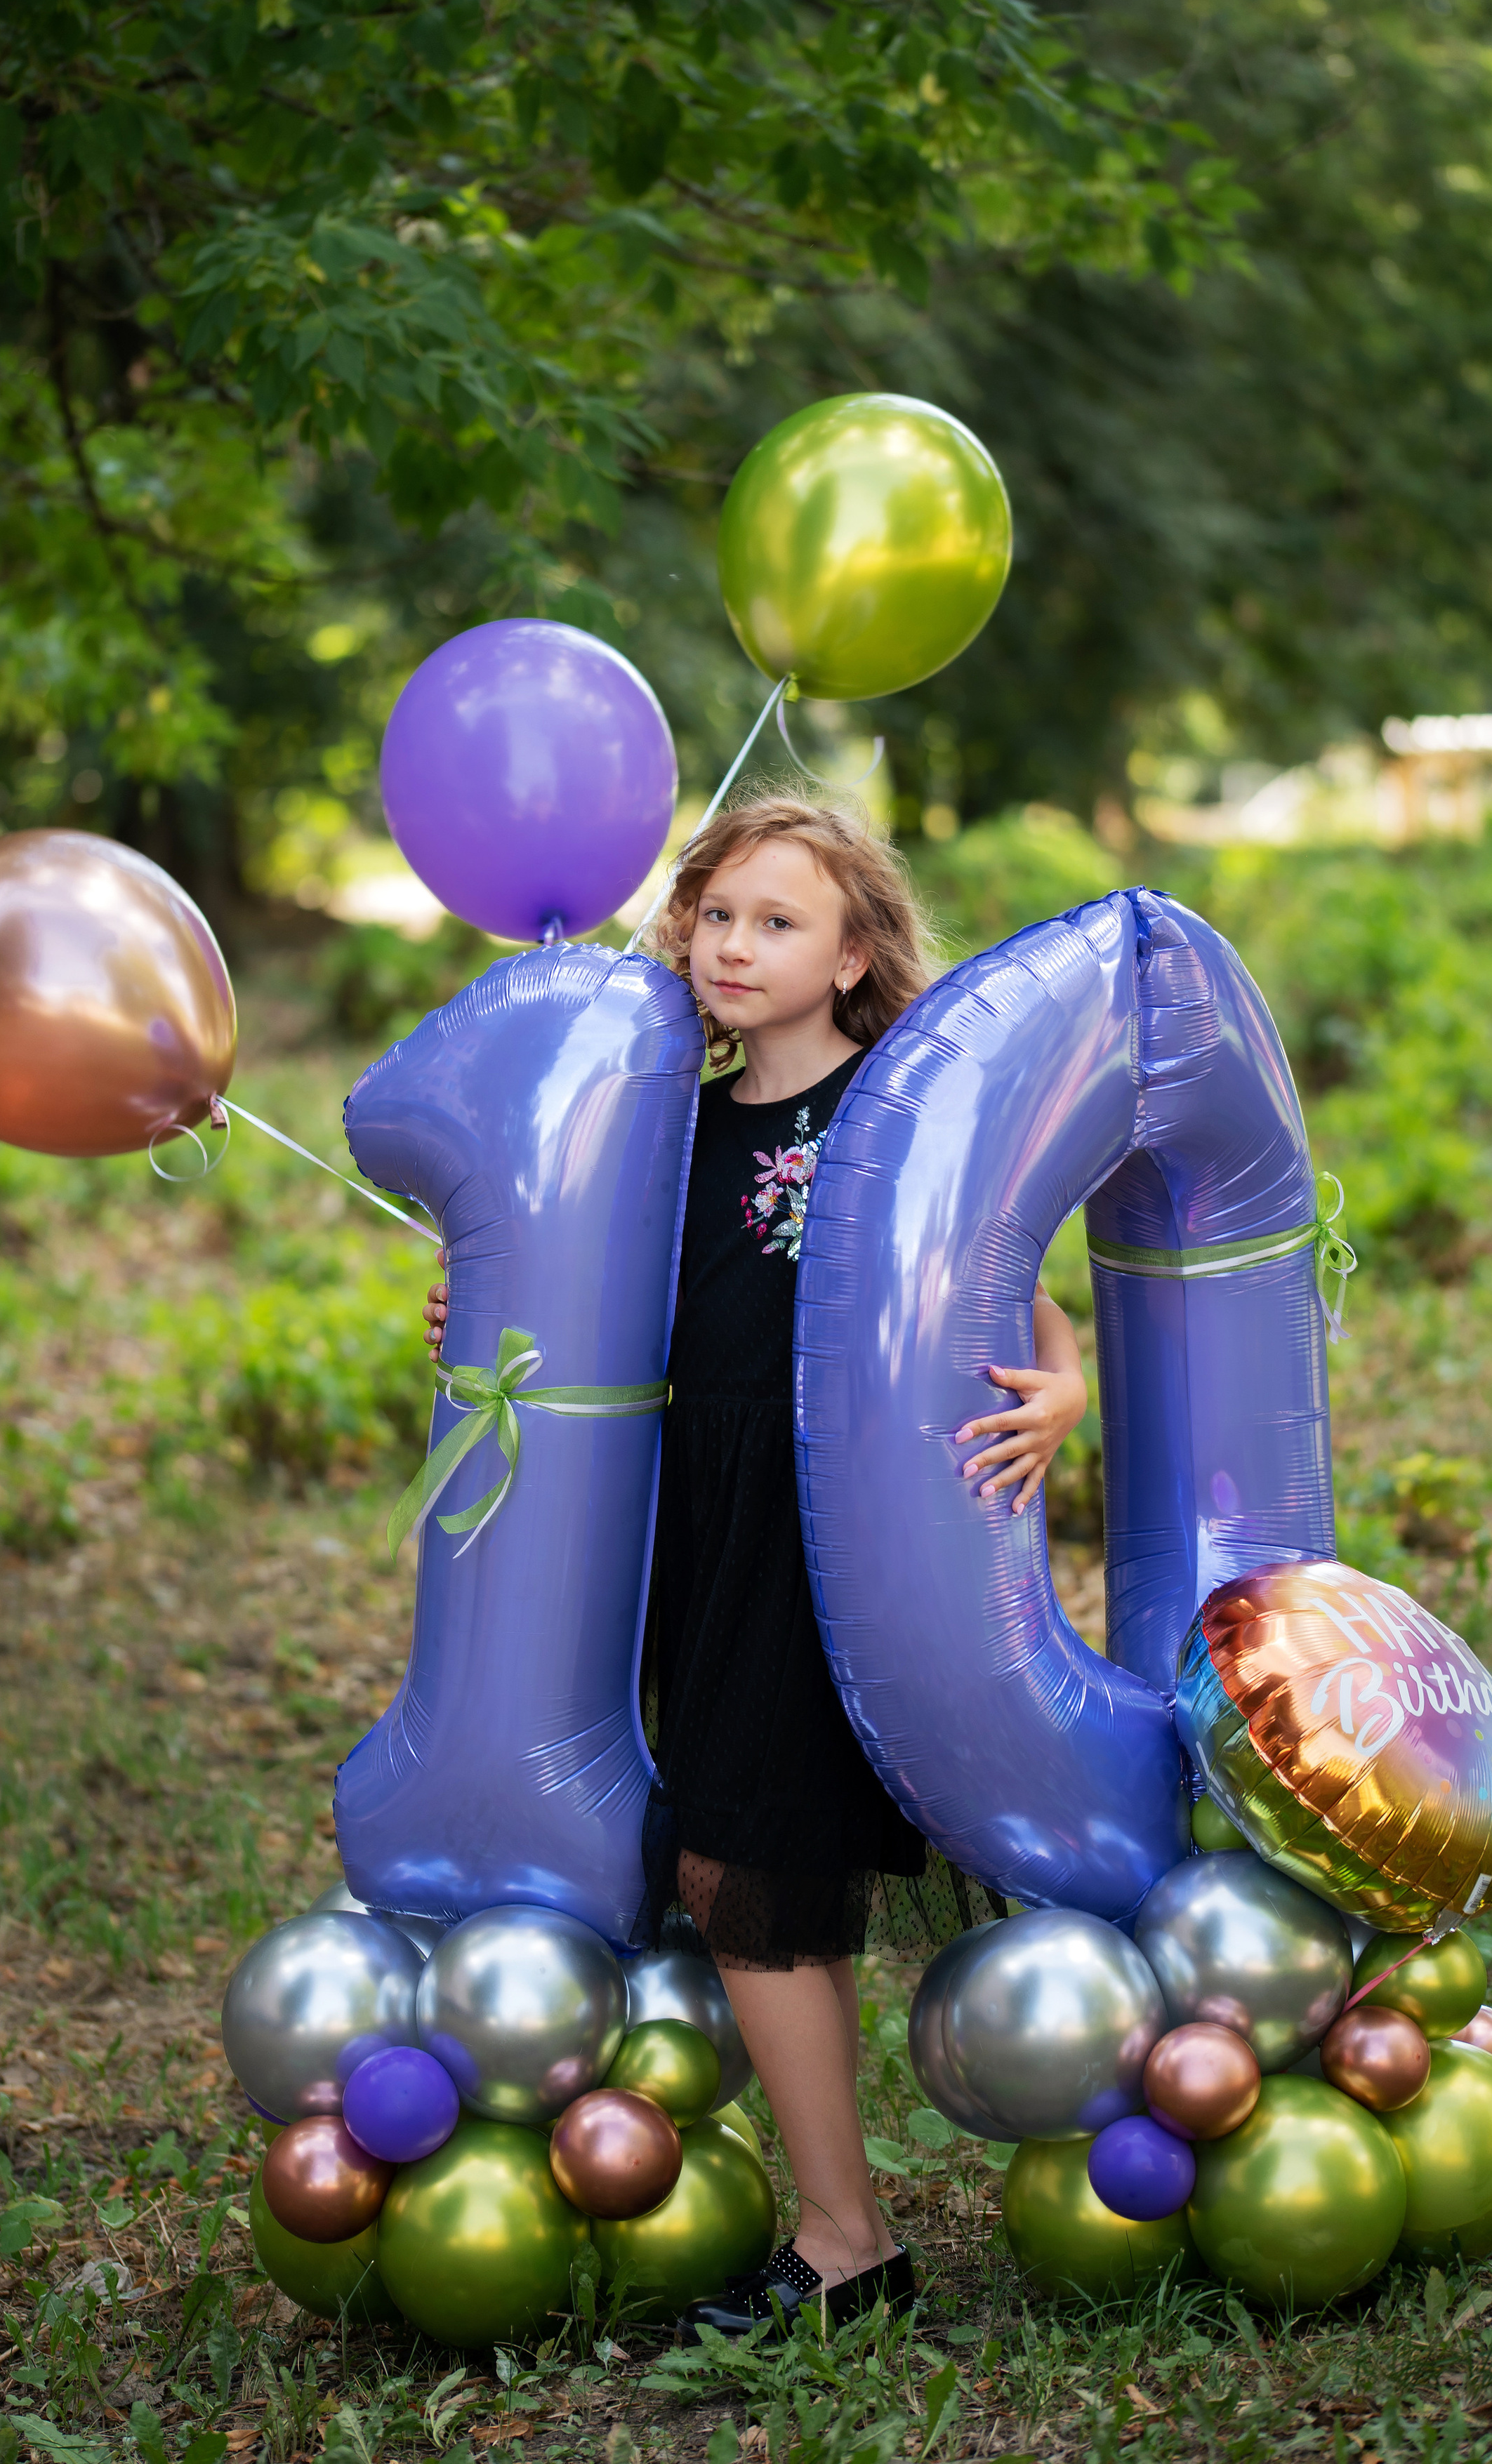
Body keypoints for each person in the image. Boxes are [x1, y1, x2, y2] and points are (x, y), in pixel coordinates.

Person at [423, 789, 1088, 2338]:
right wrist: (477, 1314)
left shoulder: (896, 1105)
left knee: (744, 1864)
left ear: (853, 952)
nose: (730, 943)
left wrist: (1060, 1386)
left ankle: (847, 2246)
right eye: (713, 913)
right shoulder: (668, 1117)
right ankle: (839, 2225)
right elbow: (583, 1288)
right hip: (694, 1510)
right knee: (741, 1856)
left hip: (833, 1516)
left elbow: (1016, 1290)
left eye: (774, 920)